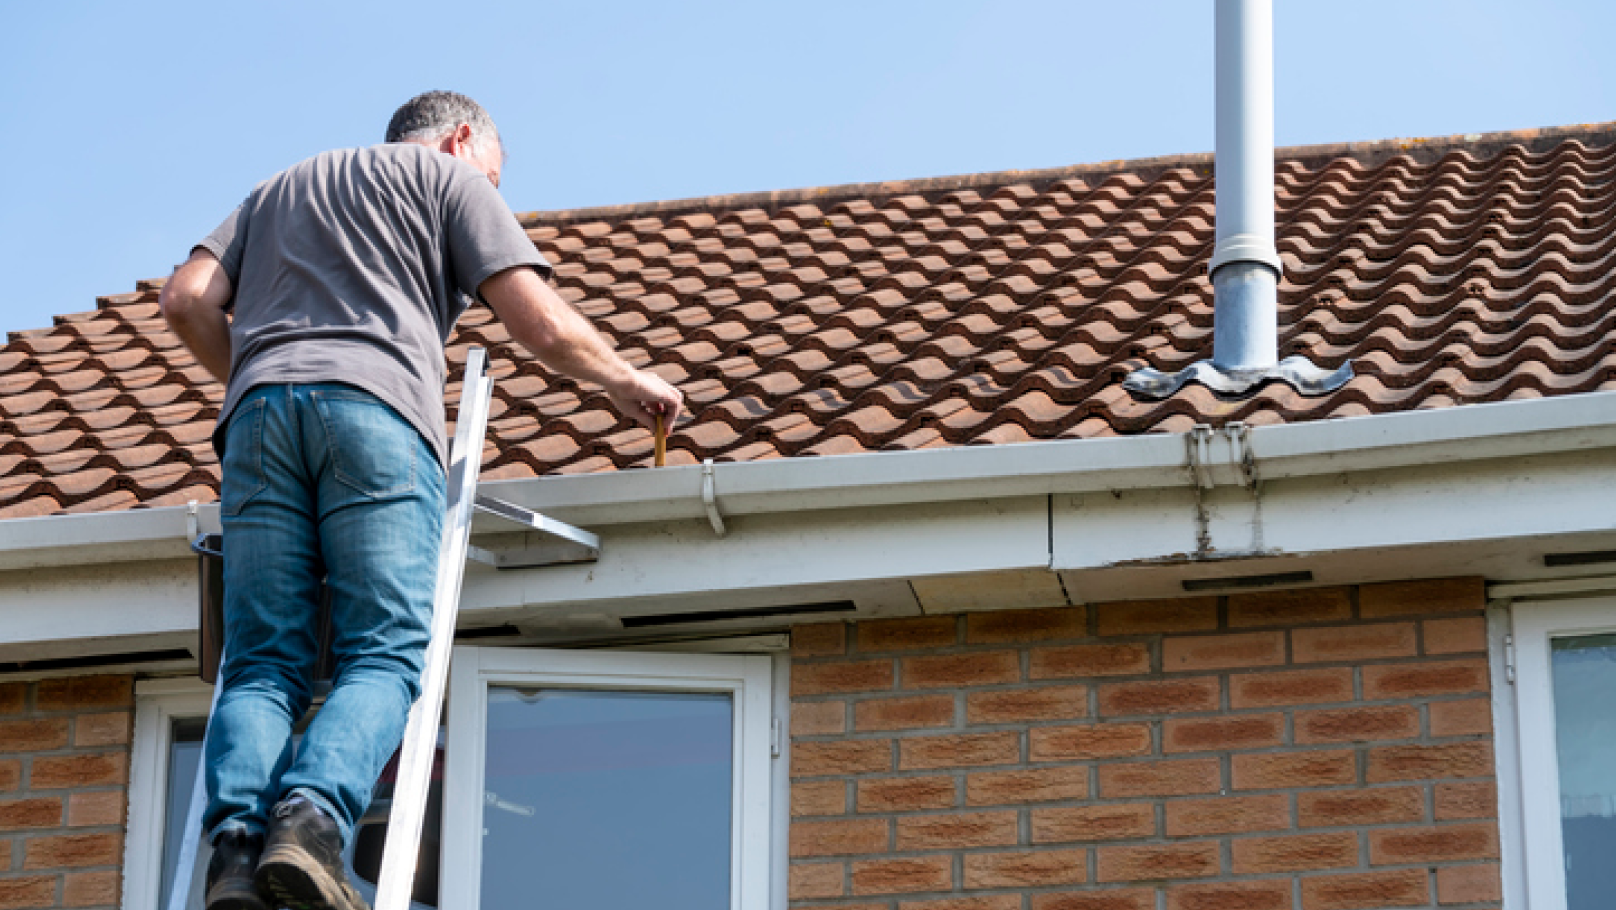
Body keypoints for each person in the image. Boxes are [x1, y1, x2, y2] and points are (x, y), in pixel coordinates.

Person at [159, 90, 682, 910]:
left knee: (260, 663)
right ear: (462, 138)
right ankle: (311, 823)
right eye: (498, 178)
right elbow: (537, 324)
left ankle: (232, 855)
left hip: (256, 423)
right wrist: (623, 379)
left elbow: (187, 299)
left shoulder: (276, 188)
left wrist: (266, 381)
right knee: (386, 650)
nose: (497, 196)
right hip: (375, 417)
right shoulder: (448, 182)